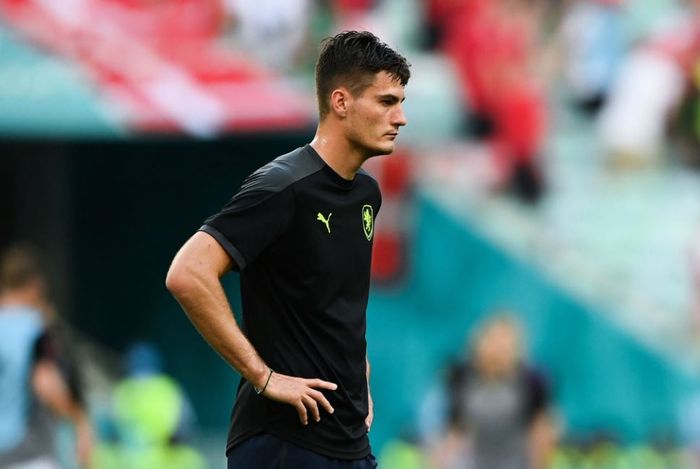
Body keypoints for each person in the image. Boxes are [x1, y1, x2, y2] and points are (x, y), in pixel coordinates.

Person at [166, 30, 410, 468]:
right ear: (341, 102)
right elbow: (188, 272)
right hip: (283, 442)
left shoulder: (367, 195)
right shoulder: (283, 186)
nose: (401, 118)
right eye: (386, 102)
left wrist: (359, 372)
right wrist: (264, 377)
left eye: (400, 103)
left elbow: (334, 302)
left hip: (349, 441)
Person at [0, 243, 92, 468]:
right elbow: (46, 383)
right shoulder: (36, 329)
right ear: (36, 286)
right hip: (27, 454)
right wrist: (80, 421)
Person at [444, 315, 556, 469]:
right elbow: (453, 432)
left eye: (504, 343)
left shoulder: (531, 380)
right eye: (492, 340)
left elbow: (542, 431)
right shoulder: (461, 377)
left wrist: (539, 465)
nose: (497, 349)